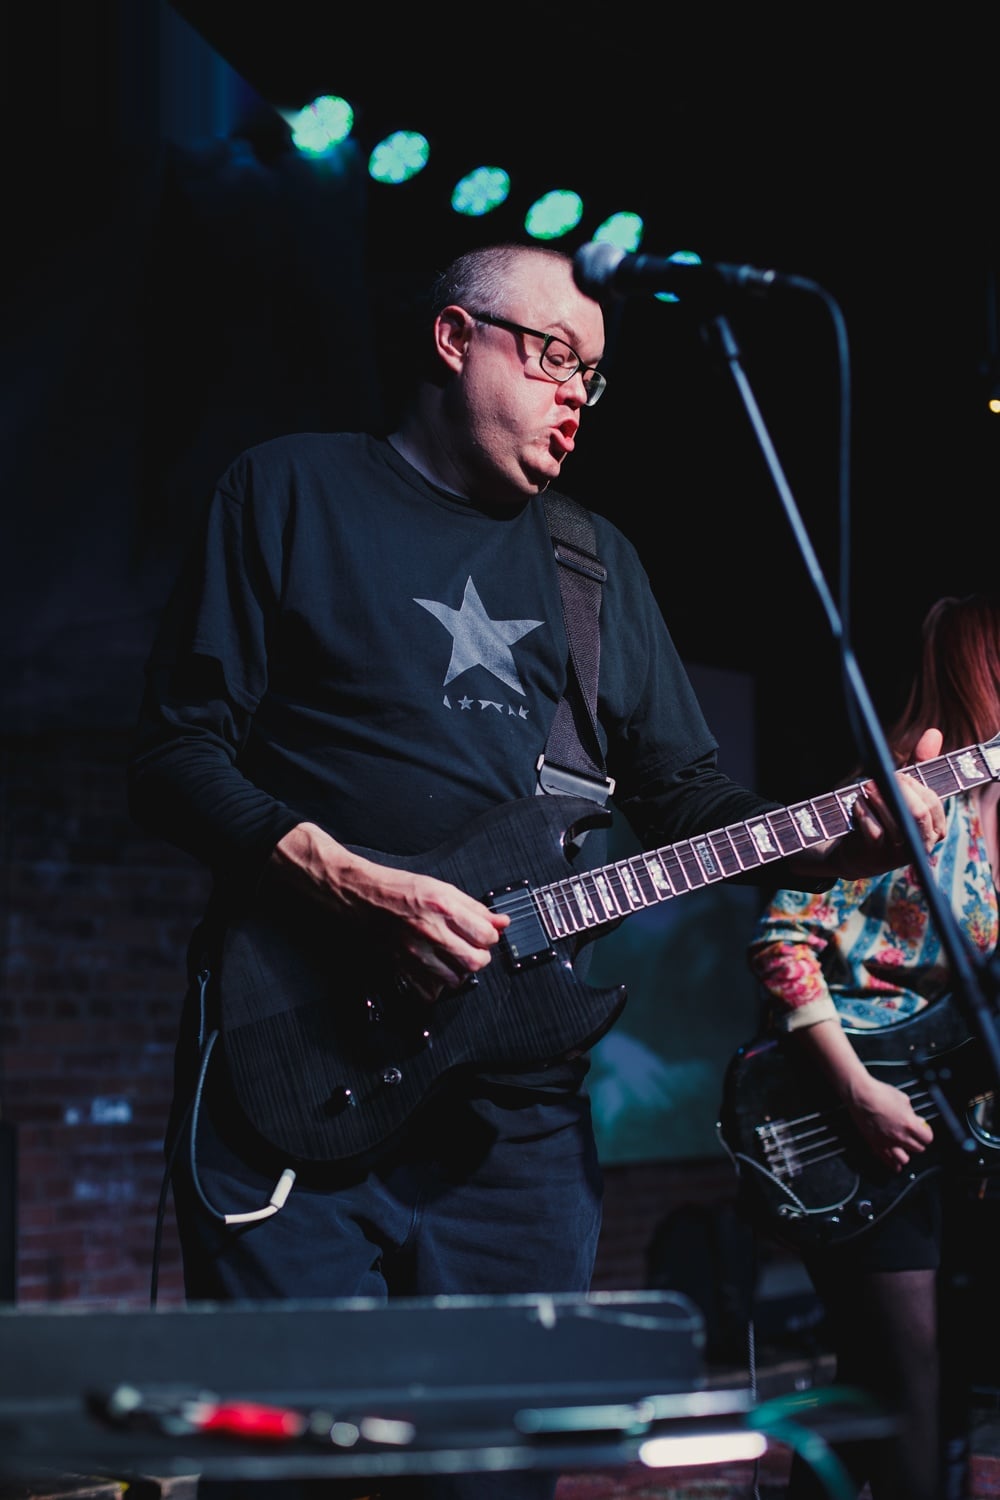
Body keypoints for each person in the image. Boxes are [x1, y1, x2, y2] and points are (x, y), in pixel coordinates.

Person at [127, 241, 948, 1500]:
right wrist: (351, 883)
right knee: (292, 1476)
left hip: (514, 1125)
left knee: (501, 1473)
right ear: (455, 339)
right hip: (294, 1062)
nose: (577, 394)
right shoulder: (287, 491)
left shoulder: (590, 561)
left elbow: (691, 801)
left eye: (594, 376)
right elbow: (174, 755)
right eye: (555, 355)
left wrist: (832, 838)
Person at [745, 592, 1000, 1500]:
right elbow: (783, 940)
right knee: (911, 1381)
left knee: (896, 1384)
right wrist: (858, 1092)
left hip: (955, 1133)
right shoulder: (898, 799)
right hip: (853, 1123)